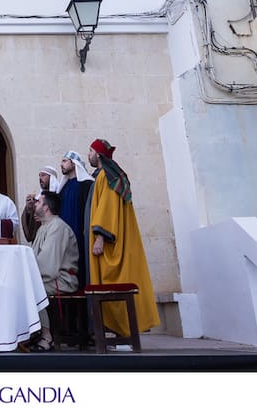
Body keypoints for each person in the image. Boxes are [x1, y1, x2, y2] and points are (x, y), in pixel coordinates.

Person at [86, 139, 159, 338]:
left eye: (90, 151)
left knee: (113, 284)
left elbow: (107, 209)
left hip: (110, 243)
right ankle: (122, 331)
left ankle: (125, 331)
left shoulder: (107, 177)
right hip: (112, 240)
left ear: (99, 155)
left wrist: (100, 238)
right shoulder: (107, 176)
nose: (88, 155)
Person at [28, 190, 81, 351]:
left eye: (38, 201)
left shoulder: (57, 227)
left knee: (31, 289)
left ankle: (46, 335)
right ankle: (31, 333)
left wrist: (27, 276)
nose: (34, 203)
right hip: (49, 278)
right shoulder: (45, 227)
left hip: (62, 280)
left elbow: (48, 267)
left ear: (46, 208)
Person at [22, 165, 62, 242]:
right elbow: (31, 223)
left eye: (43, 175)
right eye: (39, 176)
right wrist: (29, 208)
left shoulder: (59, 195)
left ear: (51, 177)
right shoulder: (37, 198)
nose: (40, 179)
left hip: (55, 236)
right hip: (39, 238)